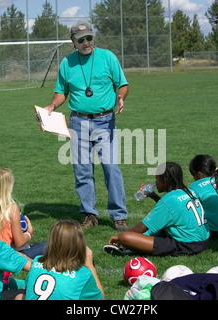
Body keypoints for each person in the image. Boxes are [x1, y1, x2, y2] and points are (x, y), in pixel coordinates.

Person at [44, 21, 129, 231]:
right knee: (82, 171)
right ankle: (89, 214)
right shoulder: (67, 63)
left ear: (94, 38)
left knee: (111, 168)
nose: (86, 43)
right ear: (73, 42)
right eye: (81, 40)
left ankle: (119, 216)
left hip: (104, 120)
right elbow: (61, 91)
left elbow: (122, 84)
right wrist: (52, 105)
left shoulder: (108, 57)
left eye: (89, 38)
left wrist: (121, 97)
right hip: (78, 121)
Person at [105, 162, 209, 257]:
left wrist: (119, 238)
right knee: (157, 227)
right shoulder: (189, 192)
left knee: (126, 237)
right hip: (204, 241)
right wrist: (154, 196)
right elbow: (170, 211)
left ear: (165, 181)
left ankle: (129, 247)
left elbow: (142, 227)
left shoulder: (169, 199)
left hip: (186, 245)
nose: (155, 182)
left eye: (157, 179)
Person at [17, 220, 104, 300]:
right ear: (79, 244)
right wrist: (90, 266)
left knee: (20, 296)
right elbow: (101, 298)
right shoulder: (83, 274)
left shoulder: (36, 262)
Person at [0, 168, 46, 258]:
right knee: (50, 244)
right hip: (7, 257)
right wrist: (29, 232)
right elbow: (19, 242)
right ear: (7, 188)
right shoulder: (11, 209)